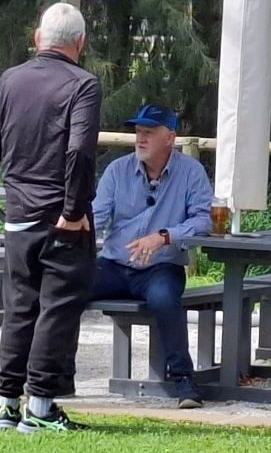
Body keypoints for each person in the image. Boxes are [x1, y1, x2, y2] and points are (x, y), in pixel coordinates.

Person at [0, 2, 101, 433]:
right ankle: (43, 408)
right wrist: (73, 211)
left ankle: (7, 403)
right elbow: (79, 151)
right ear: (80, 43)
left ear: (37, 38)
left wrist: (22, 166)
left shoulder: (11, 79)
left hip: (18, 212)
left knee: (19, 307)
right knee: (58, 309)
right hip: (59, 216)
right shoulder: (83, 85)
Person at [91, 105, 212, 409]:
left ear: (170, 137)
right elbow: (96, 216)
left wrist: (164, 236)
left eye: (149, 132)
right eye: (138, 132)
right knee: (64, 286)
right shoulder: (117, 170)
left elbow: (203, 220)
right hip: (115, 265)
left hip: (161, 267)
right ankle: (56, 374)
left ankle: (183, 380)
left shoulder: (191, 172)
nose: (140, 139)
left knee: (163, 298)